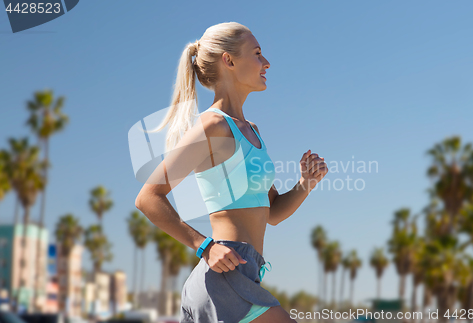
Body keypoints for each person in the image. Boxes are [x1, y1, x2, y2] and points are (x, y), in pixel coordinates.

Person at [135, 22, 328, 323]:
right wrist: (204, 247)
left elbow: (272, 213)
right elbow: (148, 197)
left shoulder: (253, 132)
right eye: (258, 53)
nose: (266, 63)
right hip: (223, 275)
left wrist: (305, 183)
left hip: (247, 273)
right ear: (229, 60)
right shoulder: (213, 127)